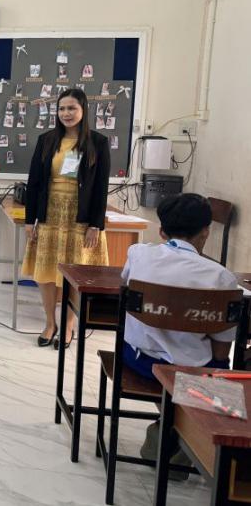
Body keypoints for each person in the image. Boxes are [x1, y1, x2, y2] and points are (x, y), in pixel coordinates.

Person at [121, 193, 237, 472]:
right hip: (190, 372)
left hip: (137, 361)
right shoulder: (221, 277)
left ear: (162, 231)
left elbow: (125, 285)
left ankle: (169, 432)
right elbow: (222, 351)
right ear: (206, 231)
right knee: (227, 374)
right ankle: (192, 444)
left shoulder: (138, 254)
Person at [22, 88, 110, 348]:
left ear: (83, 110)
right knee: (46, 273)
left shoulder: (98, 142)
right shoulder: (47, 140)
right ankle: (50, 323)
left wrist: (95, 224)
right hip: (50, 216)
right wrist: (29, 220)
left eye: (72, 108)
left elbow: (101, 188)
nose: (66, 113)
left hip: (79, 219)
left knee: (74, 274)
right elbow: (34, 183)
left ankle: (69, 325)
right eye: (61, 108)